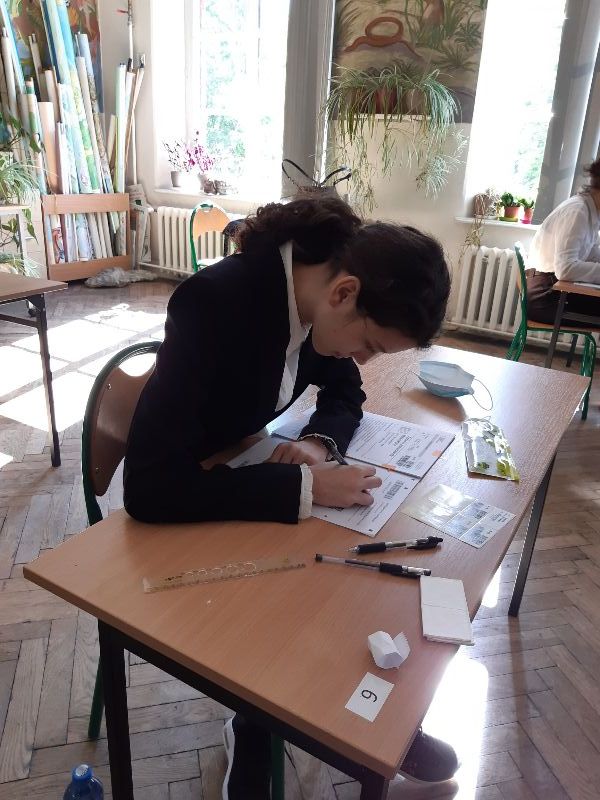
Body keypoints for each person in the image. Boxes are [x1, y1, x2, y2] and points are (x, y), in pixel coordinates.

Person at [123, 196, 457, 798]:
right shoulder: (215, 302)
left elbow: (345, 392)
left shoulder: (319, 297)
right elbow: (149, 487)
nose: (363, 359)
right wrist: (302, 484)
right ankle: (256, 722)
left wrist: (318, 445)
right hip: (184, 508)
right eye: (371, 345)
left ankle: (373, 715)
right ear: (344, 293)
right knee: (305, 579)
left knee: (354, 572)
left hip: (240, 471)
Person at [527, 156, 600, 324]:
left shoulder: (591, 212)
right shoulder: (578, 211)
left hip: (553, 288)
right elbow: (566, 269)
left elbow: (592, 253)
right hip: (545, 296)